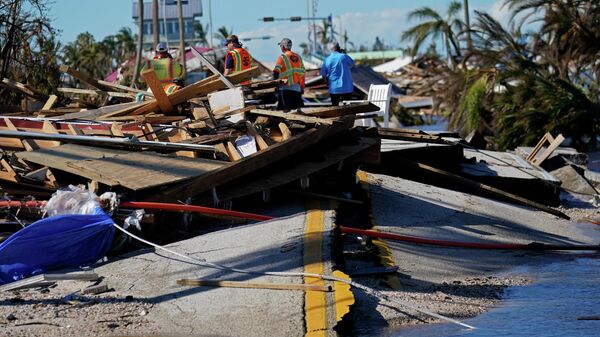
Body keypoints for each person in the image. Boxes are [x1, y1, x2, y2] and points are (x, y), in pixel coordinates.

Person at [273, 38, 305, 110]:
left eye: (281, 45)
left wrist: (275, 86)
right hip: (297, 89)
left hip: (285, 89)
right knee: (297, 114)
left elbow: (276, 72)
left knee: (285, 113)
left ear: (283, 46)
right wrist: (302, 87)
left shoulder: (282, 57)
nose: (281, 47)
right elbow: (302, 74)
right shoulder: (298, 57)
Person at [320, 41, 354, 106]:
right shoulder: (344, 56)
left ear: (331, 49)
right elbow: (352, 63)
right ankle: (347, 115)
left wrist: (327, 83)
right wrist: (344, 53)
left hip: (334, 88)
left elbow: (323, 74)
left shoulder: (327, 59)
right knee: (347, 107)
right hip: (346, 87)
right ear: (339, 48)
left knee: (335, 105)